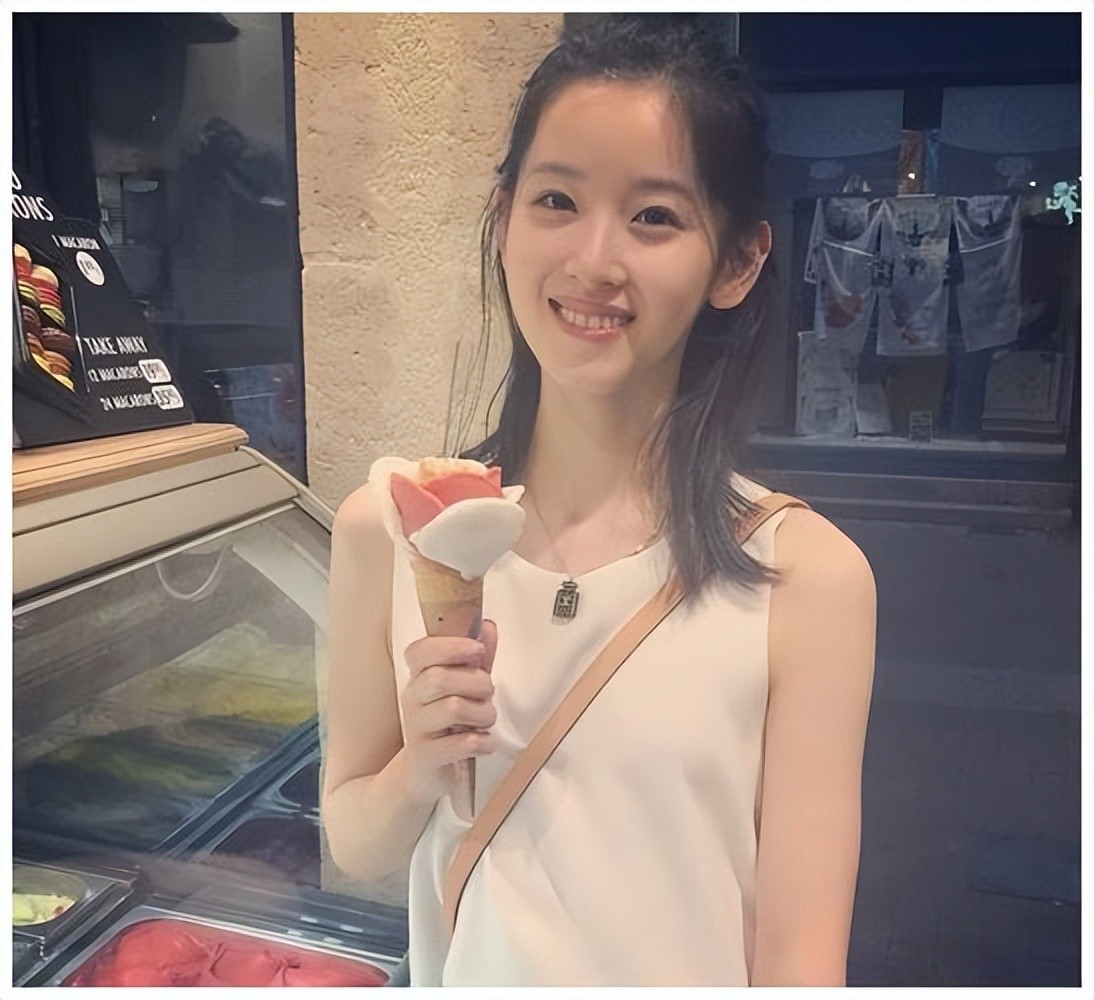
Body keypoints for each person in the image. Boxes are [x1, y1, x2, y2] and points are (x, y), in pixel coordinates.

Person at [322, 15, 876, 987]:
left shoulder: (808, 579)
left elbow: (800, 960)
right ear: (503, 220)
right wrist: (417, 767)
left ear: (737, 261)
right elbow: (355, 844)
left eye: (653, 216)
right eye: (556, 201)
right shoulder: (389, 527)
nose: (593, 259)